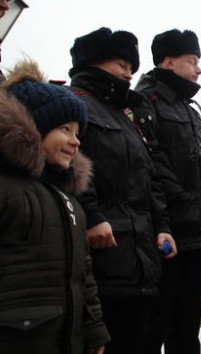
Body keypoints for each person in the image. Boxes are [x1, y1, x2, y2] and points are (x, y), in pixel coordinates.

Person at [68, 27, 177, 354]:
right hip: (103, 256)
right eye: (121, 65)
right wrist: (92, 216)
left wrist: (162, 226)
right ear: (94, 63)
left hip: (141, 258)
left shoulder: (126, 116)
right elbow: (68, 165)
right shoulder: (74, 106)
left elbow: (149, 178)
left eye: (131, 67)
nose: (129, 74)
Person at [0, 60, 109, 354]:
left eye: (78, 133)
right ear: (32, 128)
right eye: (65, 129)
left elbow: (83, 277)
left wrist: (93, 330)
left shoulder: (69, 201)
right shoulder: (7, 191)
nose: (75, 142)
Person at [135, 29, 201, 354]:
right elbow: (151, 161)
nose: (199, 69)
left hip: (194, 232)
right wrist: (180, 205)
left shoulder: (188, 107)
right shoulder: (146, 100)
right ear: (169, 62)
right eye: (192, 61)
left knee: (186, 327)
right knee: (154, 325)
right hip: (165, 232)